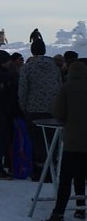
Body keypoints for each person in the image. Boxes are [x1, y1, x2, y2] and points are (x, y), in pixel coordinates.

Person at [46, 60, 87, 221]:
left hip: (72, 141)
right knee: (81, 176)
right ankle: (80, 208)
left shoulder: (66, 88)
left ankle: (59, 212)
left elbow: (57, 112)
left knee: (66, 178)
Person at [19, 39, 62, 181]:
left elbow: (23, 90)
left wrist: (23, 107)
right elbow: (60, 86)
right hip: (53, 109)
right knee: (52, 141)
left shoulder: (28, 67)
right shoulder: (54, 67)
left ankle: (39, 171)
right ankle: (53, 169)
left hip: (34, 109)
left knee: (37, 142)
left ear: (32, 51)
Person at [0, 51, 18, 180]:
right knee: (1, 141)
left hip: (2, 113)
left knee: (4, 140)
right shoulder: (0, 75)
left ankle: (2, 165)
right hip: (2, 113)